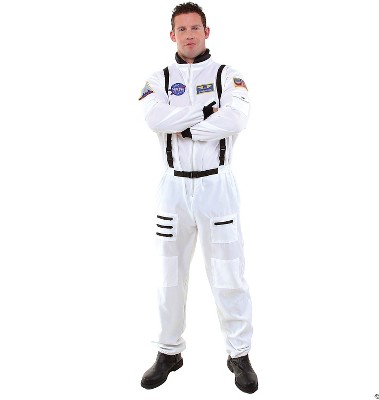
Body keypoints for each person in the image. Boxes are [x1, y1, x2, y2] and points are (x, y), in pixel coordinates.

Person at [138, 2, 258, 394]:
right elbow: (154, 119)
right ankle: (168, 351)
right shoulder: (158, 78)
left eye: (195, 28)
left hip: (216, 187)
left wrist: (186, 126)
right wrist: (206, 112)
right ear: (172, 35)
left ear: (207, 31)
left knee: (228, 272)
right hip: (172, 189)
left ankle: (239, 354)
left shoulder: (227, 75)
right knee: (168, 274)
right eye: (182, 29)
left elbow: (236, 118)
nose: (189, 35)